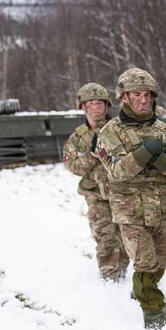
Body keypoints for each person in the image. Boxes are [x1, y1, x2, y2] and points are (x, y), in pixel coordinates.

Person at [95, 68, 166, 329]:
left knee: (165, 257)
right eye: (136, 94)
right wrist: (146, 153)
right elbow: (118, 171)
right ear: (124, 97)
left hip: (163, 207)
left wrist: (159, 161)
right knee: (144, 260)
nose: (143, 100)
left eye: (147, 95)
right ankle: (153, 311)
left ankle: (146, 287)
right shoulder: (110, 132)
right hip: (130, 210)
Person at [63, 83, 129, 281]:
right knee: (105, 237)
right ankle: (110, 276)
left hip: (121, 192)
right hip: (95, 196)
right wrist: (92, 157)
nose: (97, 107)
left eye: (101, 103)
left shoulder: (119, 128)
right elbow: (71, 164)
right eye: (92, 103)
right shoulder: (78, 137)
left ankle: (124, 272)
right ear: (83, 107)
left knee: (125, 236)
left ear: (107, 105)